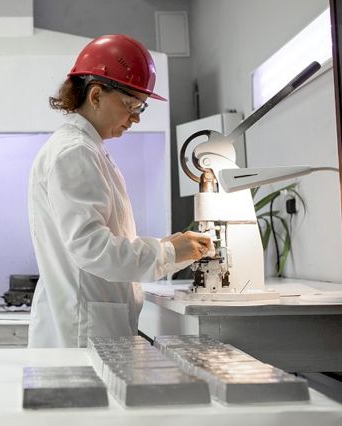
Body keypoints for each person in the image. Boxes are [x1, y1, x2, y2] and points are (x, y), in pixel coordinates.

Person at [27, 34, 213, 348]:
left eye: (141, 107)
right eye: (131, 105)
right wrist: (168, 252)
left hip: (91, 323)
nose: (136, 117)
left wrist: (173, 249)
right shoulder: (74, 152)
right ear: (96, 95)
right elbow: (92, 249)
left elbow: (105, 242)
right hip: (82, 331)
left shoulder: (89, 149)